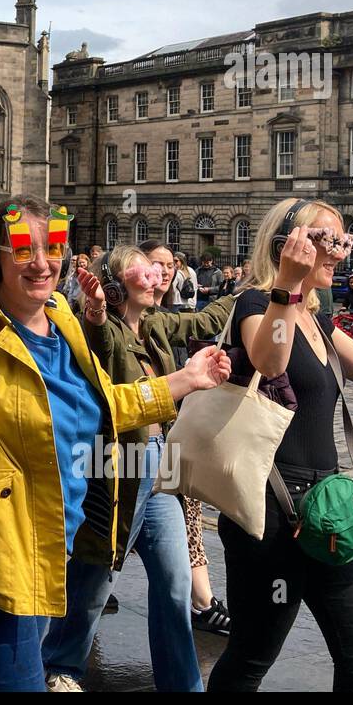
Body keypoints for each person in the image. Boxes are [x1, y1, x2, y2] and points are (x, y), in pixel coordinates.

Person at [0, 196, 231, 692]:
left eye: (53, 246)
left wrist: (184, 379)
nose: (41, 262)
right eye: (22, 249)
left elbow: (105, 403)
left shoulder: (62, 319)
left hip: (46, 554)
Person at [206, 198, 353, 692]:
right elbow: (270, 363)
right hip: (270, 511)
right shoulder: (259, 303)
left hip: (326, 509)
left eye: (343, 241)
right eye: (325, 239)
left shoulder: (318, 322)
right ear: (286, 243)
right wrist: (285, 285)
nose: (338, 253)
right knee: (253, 654)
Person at [40, 245, 235, 691]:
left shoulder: (156, 325)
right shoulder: (104, 328)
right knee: (94, 579)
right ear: (115, 284)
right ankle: (62, 669)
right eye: (142, 273)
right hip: (119, 468)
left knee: (174, 582)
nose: (155, 279)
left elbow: (204, 320)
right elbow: (98, 340)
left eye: (157, 272)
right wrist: (94, 309)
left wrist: (262, 285)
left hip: (159, 465)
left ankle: (182, 685)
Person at [138, 238, 231, 632]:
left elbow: (208, 323)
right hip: (125, 449)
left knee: (186, 515)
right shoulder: (119, 318)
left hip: (173, 439)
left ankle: (200, 601)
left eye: (169, 265)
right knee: (114, 537)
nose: (162, 272)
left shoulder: (169, 317)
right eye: (154, 264)